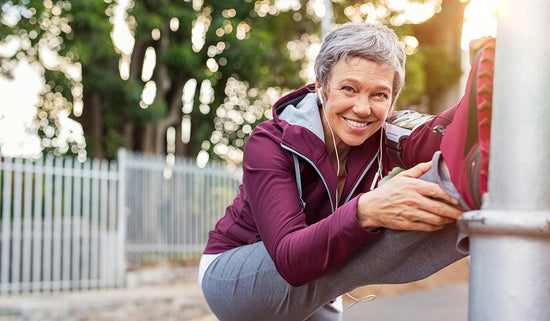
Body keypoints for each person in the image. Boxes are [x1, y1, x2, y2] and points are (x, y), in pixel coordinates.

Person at [198, 22, 495, 321]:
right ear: (321, 86)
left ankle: (485, 181)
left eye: (379, 95)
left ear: (392, 100)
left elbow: (431, 137)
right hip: (236, 276)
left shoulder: (383, 133)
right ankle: (471, 187)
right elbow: (290, 259)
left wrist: (493, 97)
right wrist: (366, 210)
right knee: (392, 207)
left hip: (323, 280)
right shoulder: (272, 141)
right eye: (349, 89)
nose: (363, 108)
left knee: (439, 173)